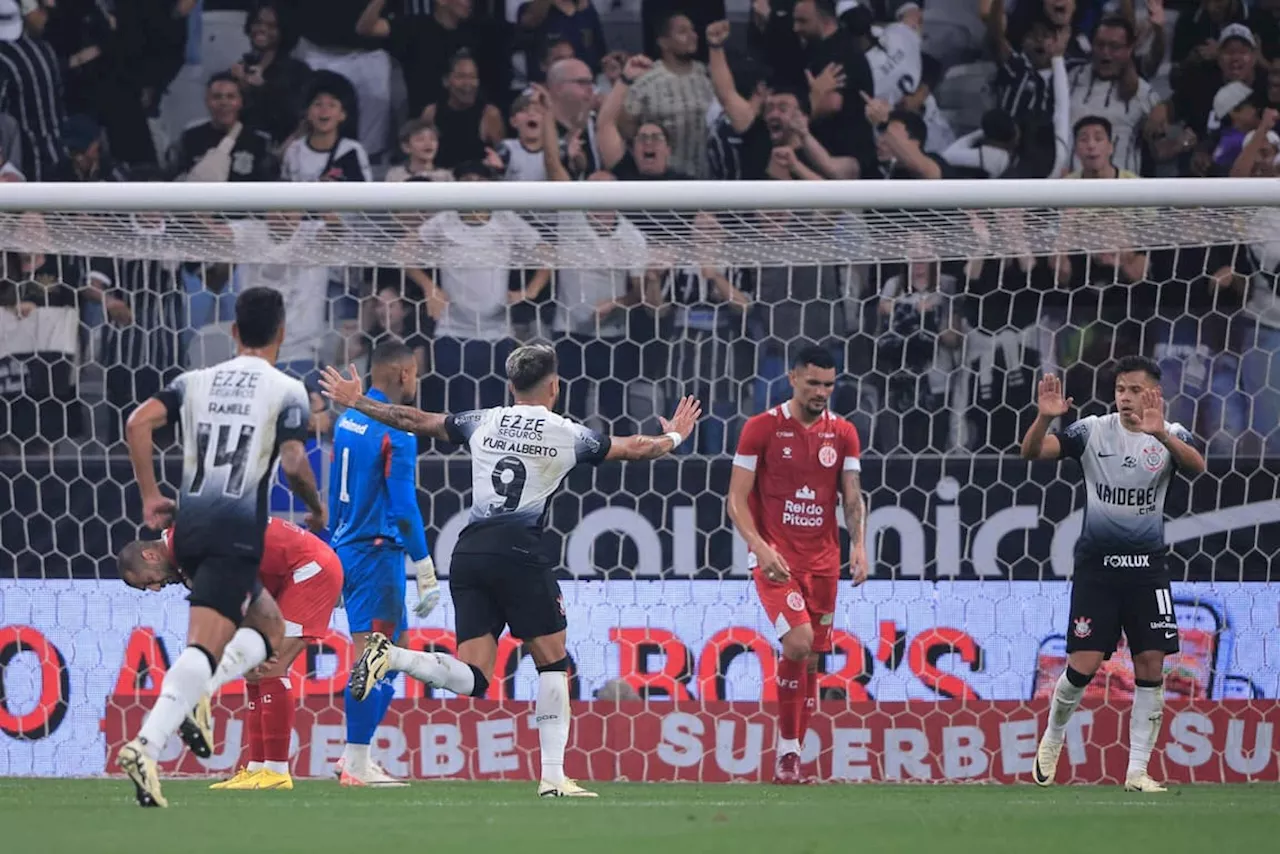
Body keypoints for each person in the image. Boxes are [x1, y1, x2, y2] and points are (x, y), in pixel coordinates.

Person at [319, 344, 701, 798]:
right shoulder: (566, 431)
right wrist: (676, 435)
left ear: (510, 386)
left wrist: (356, 400)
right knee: (553, 661)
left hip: (470, 553)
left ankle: (394, 656)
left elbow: (414, 420)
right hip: (521, 553)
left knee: (474, 676)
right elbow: (637, 449)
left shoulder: (484, 419)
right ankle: (554, 777)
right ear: (555, 387)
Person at [117, 287, 326, 808]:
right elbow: (297, 462)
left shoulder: (193, 382)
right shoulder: (286, 388)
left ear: (233, 333)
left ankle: (163, 729)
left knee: (270, 628)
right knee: (212, 651)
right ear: (281, 333)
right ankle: (166, 725)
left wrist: (149, 495)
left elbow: (137, 423)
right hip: (236, 530)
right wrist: (315, 508)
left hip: (189, 530)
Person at [1020, 358, 1207, 793]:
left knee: (1151, 664)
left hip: (1147, 570)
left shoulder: (1171, 434)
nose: (1125, 396)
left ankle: (1137, 771)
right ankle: (1052, 738)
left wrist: (1160, 433)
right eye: (1121, 388)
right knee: (1082, 666)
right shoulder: (1091, 430)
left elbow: (1198, 467)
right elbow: (1032, 452)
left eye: (1135, 389)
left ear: (1155, 394)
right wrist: (1045, 419)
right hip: (1098, 570)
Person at [116, 516, 344, 792]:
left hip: (308, 569)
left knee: (271, 667)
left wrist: (264, 636)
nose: (154, 588)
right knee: (254, 670)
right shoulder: (187, 551)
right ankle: (257, 768)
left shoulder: (192, 548)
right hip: (281, 577)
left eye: (147, 581)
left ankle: (277, 770)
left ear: (149, 555)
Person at [726, 345, 867, 785]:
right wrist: (759, 547)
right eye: (813, 383)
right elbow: (735, 499)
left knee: (808, 662)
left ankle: (793, 760)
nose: (822, 392)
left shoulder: (843, 433)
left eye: (828, 384)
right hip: (776, 560)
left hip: (824, 562)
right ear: (792, 379)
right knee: (800, 643)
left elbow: (851, 495)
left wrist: (859, 543)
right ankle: (787, 752)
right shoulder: (760, 429)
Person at [328, 341, 440, 788]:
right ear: (405, 374)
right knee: (373, 661)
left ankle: (357, 755)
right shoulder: (400, 431)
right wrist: (426, 567)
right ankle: (355, 763)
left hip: (348, 548)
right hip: (377, 555)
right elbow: (404, 506)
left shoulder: (348, 419)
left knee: (392, 658)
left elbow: (336, 490)